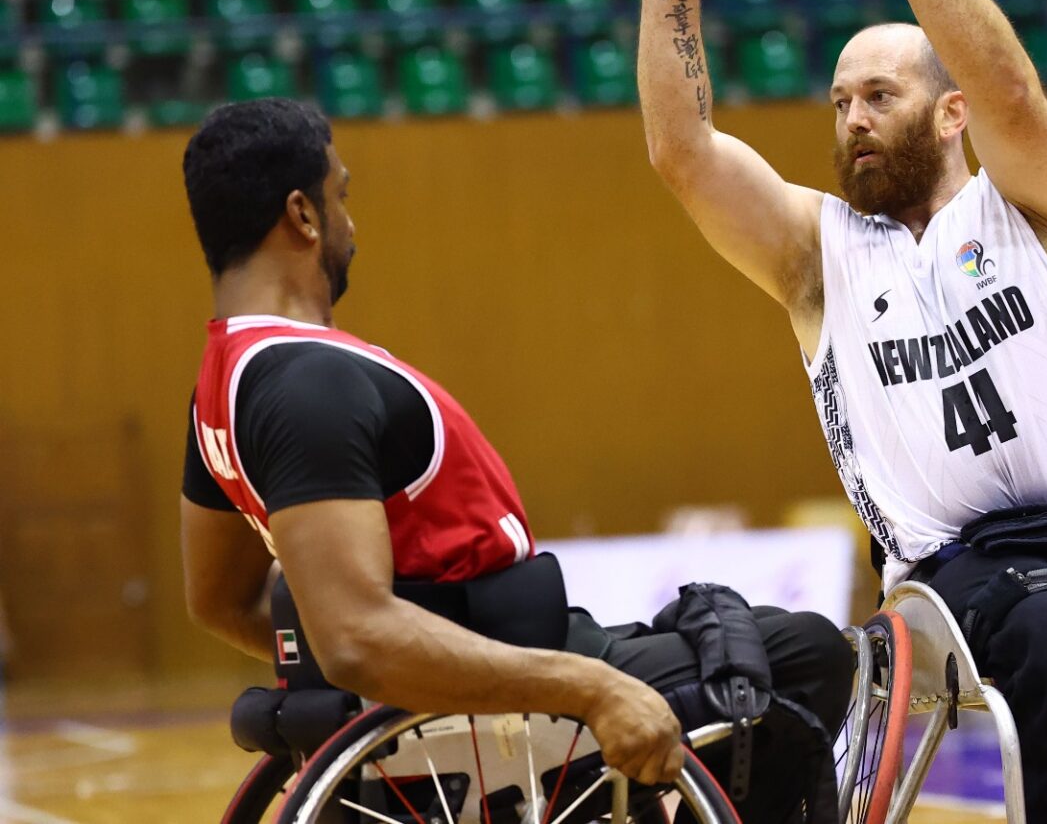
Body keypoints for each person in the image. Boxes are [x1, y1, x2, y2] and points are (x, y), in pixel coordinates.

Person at [604, 0, 1047, 822]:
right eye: (840, 103)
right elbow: (682, 154)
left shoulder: (1037, 207)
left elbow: (1009, 84)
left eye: (879, 96)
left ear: (948, 114)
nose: (854, 120)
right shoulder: (818, 254)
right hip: (961, 569)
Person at [178, 99, 852, 819]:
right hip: (500, 702)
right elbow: (357, 635)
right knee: (804, 654)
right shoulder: (309, 382)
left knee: (724, 631)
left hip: (488, 664)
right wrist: (575, 689)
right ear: (302, 216)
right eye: (340, 195)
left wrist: (379, 679)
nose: (352, 224)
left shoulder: (221, 383)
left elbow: (221, 599)